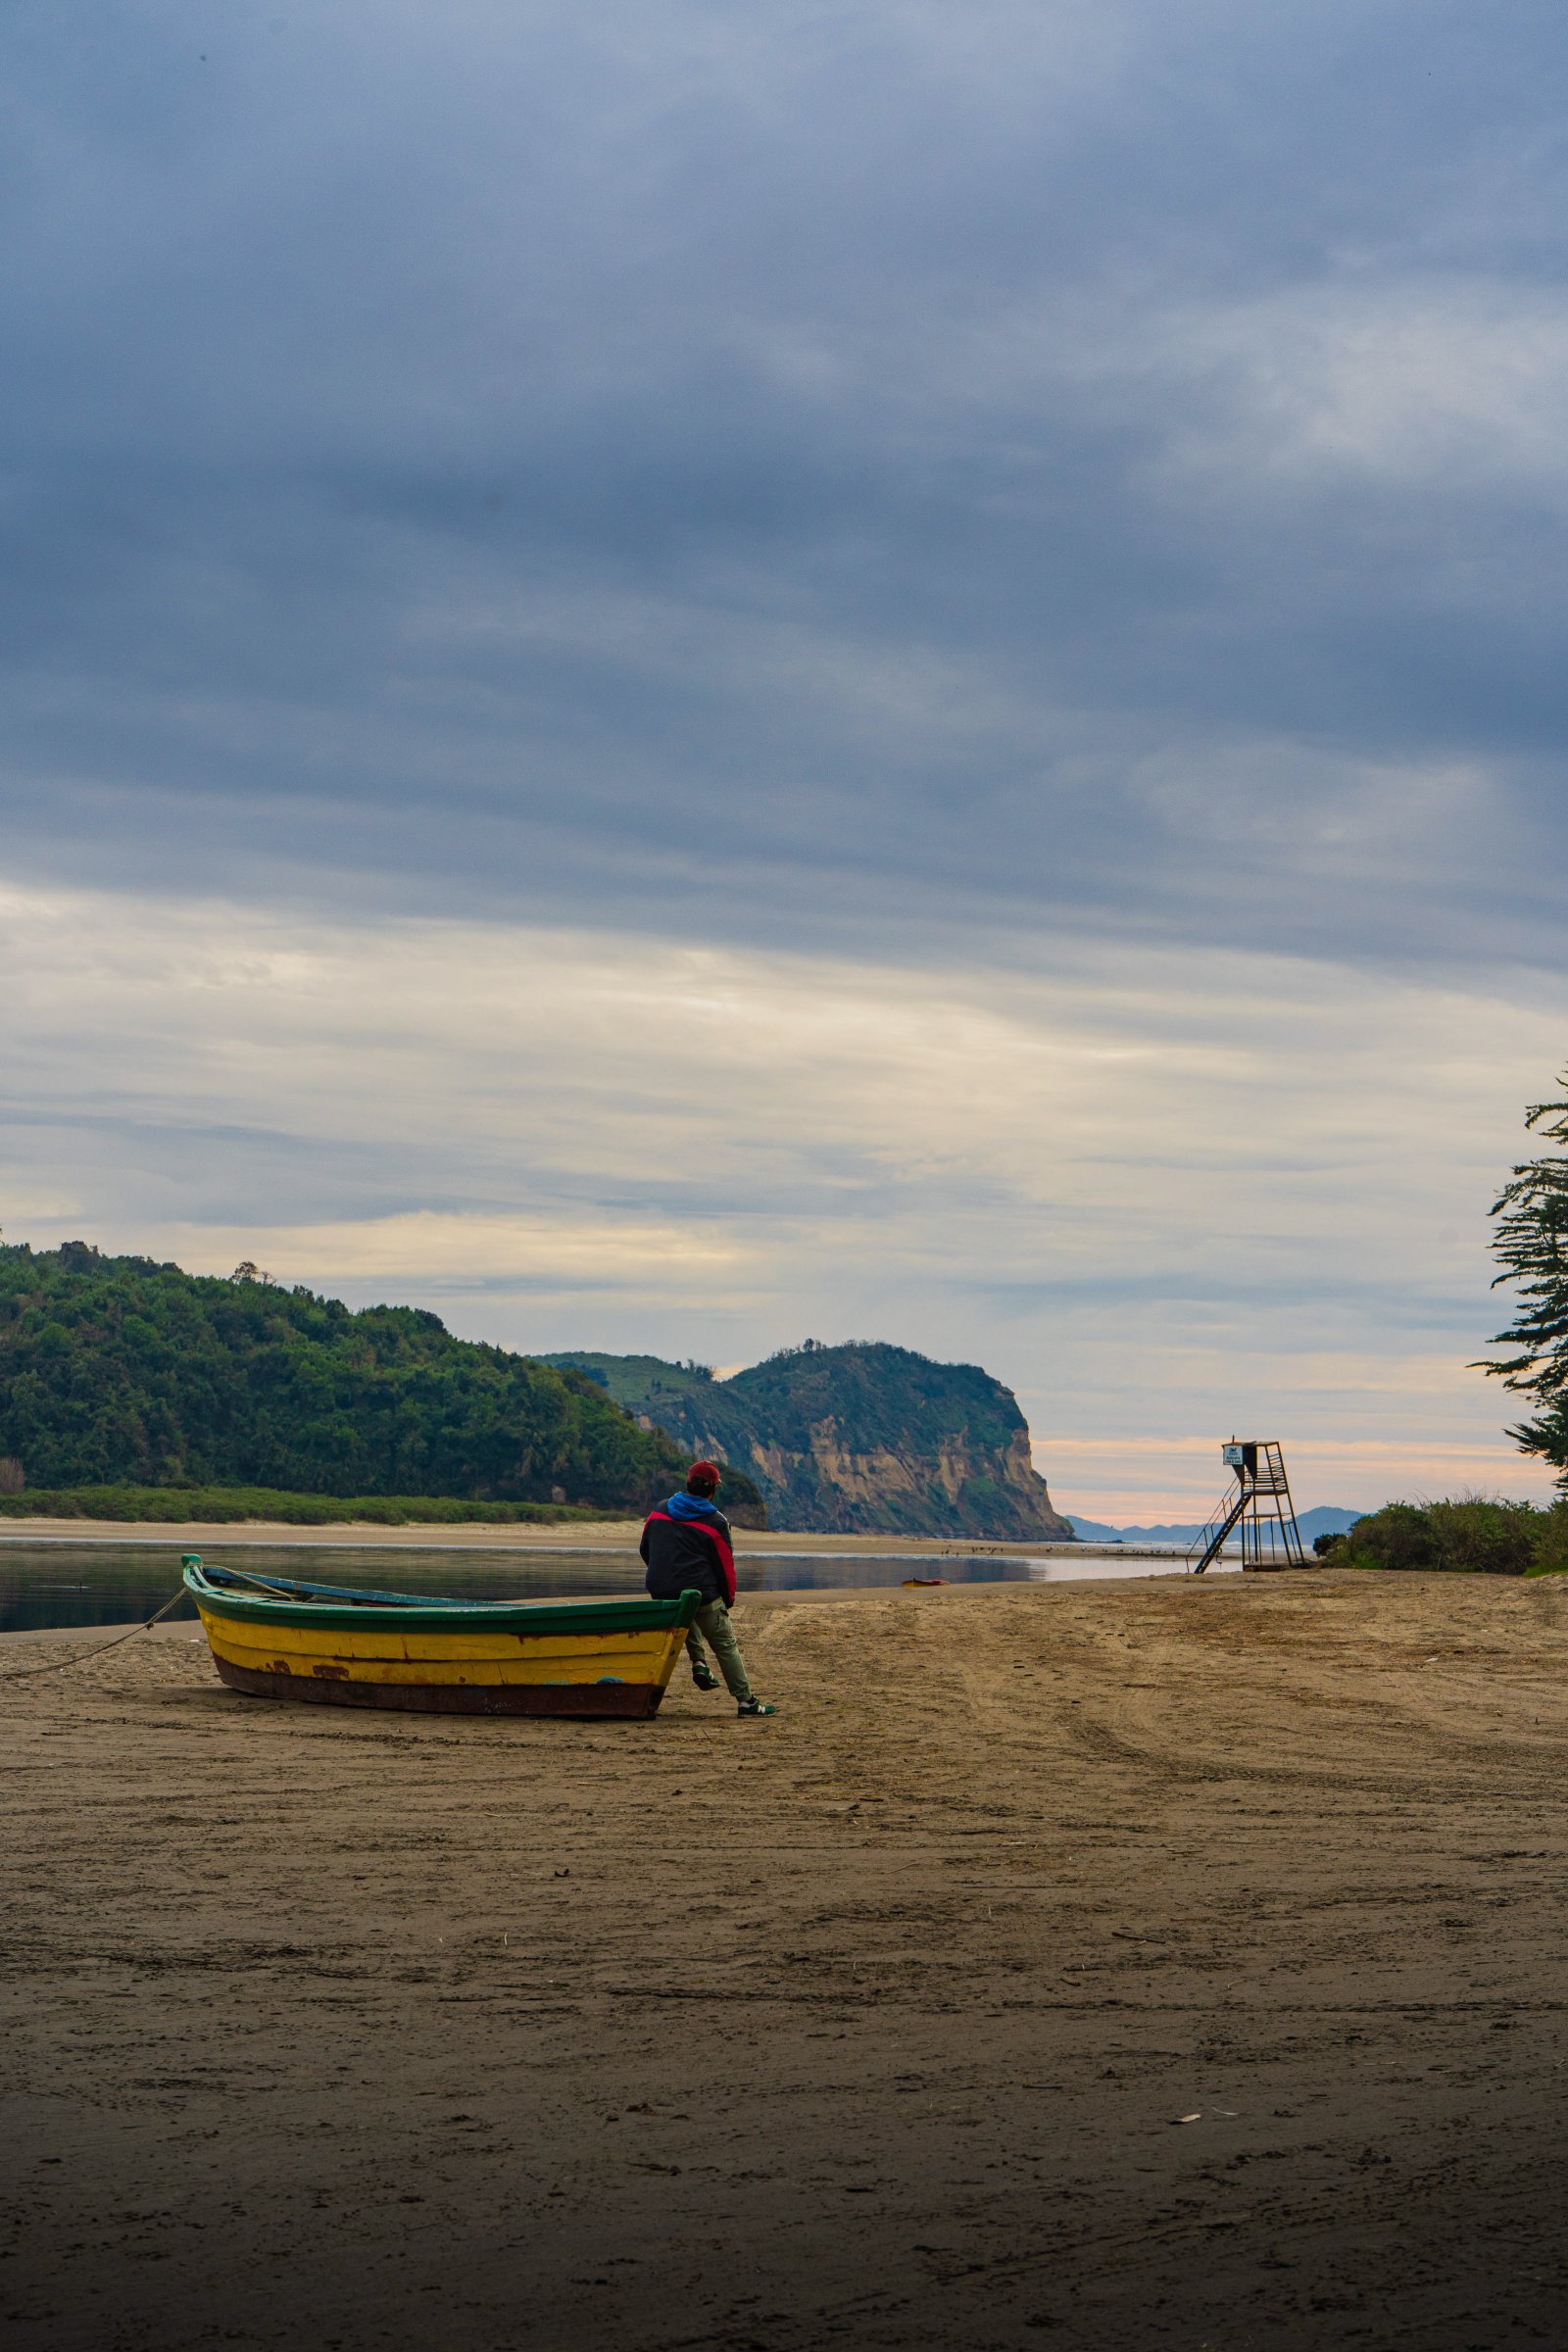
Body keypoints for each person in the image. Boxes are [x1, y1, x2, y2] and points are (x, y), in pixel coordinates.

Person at [640, 1460, 777, 1718]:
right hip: (702, 1593)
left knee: (684, 1608)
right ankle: (746, 1702)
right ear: (713, 1490)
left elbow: (645, 1549)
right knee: (725, 1643)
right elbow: (725, 1566)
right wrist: (727, 1599)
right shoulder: (716, 1521)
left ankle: (699, 1662)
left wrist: (662, 1577)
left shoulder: (659, 1510)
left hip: (662, 1589)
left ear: (688, 1483)